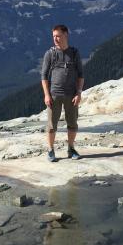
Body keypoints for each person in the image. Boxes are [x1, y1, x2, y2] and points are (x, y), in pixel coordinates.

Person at [41, 24, 84, 162]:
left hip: (71, 95)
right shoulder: (50, 54)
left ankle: (71, 149)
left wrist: (79, 93)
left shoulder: (75, 53)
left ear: (66, 35)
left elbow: (80, 75)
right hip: (54, 95)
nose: (56, 39)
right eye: (54, 36)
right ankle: (50, 150)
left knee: (72, 123)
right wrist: (46, 95)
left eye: (58, 36)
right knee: (52, 125)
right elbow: (44, 77)